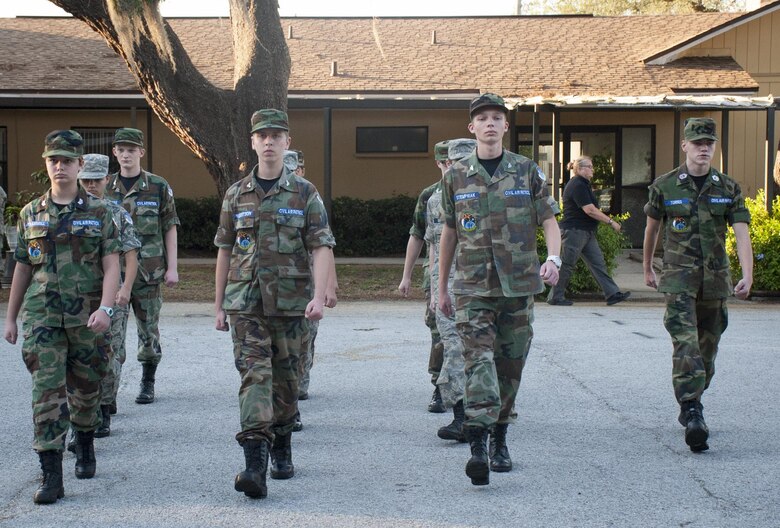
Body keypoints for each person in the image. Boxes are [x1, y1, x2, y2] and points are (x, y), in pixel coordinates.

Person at [438, 93, 561, 486]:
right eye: (482, 118)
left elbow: (549, 219)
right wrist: (441, 288)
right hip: (472, 288)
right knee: (478, 363)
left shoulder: (526, 171)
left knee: (510, 367)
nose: (489, 123)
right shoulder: (455, 176)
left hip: (518, 287)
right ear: (471, 127)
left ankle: (500, 438)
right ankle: (477, 443)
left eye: (496, 118)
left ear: (506, 126)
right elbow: (449, 233)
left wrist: (554, 259)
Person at [214, 109, 336, 499]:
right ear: (253, 142)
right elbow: (225, 249)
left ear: (287, 142)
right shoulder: (236, 194)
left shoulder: (304, 192)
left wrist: (318, 295)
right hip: (246, 304)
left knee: (286, 384)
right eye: (262, 136)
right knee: (254, 378)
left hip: (291, 305)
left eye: (276, 136)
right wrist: (218, 305)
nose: (269, 142)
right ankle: (254, 465)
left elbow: (321, 245)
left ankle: (282, 444)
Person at [3, 130, 121, 504]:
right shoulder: (30, 213)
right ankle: (51, 474)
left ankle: (84, 441)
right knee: (46, 395)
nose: (60, 166)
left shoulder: (100, 211)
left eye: (67, 160)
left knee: (86, 390)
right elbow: (22, 267)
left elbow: (112, 264)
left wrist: (106, 308)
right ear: (46, 163)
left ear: (80, 164)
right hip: (43, 319)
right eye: (54, 160)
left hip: (88, 319)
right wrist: (11, 317)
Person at [642, 117, 753, 453]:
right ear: (685, 146)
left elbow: (742, 233)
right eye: (697, 143)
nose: (703, 149)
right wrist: (647, 266)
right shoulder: (665, 186)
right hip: (679, 280)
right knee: (686, 344)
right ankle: (692, 411)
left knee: (707, 350)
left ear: (714, 147)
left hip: (715, 281)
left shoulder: (728, 188)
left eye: (709, 143)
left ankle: (693, 400)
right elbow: (651, 229)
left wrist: (747, 274)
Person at [105, 128, 179, 405]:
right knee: (112, 335)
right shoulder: (105, 186)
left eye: (131, 150)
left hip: (149, 272)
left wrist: (173, 267)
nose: (126, 154)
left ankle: (148, 381)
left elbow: (170, 226)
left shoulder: (158, 186)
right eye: (121, 149)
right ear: (115, 152)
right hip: (113, 275)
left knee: (148, 332)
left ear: (141, 152)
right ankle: (109, 393)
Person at [78, 154, 141, 438]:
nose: (91, 185)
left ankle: (104, 408)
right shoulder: (71, 212)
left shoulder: (117, 213)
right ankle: (85, 410)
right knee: (81, 355)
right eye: (86, 180)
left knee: (110, 352)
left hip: (112, 295)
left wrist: (125, 289)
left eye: (96, 180)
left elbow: (131, 255)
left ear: (107, 179)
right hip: (80, 296)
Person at [426, 138, 475, 443]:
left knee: (480, 351)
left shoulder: (490, 194)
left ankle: (483, 414)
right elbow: (435, 246)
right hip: (450, 284)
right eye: (456, 163)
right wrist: (436, 290)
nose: (461, 169)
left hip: (481, 285)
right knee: (454, 347)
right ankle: (461, 416)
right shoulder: (436, 199)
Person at [398, 141, 448, 414]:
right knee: (438, 330)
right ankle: (439, 386)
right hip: (436, 272)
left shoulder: (477, 192)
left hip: (471, 275)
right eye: (446, 163)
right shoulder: (430, 196)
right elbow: (417, 235)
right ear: (438, 163)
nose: (451, 167)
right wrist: (406, 275)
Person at [547, 156, 631, 306]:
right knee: (567, 264)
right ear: (580, 169)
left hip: (586, 231)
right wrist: (611, 222)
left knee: (598, 263)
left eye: (592, 167)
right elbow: (589, 210)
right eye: (590, 167)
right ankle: (555, 296)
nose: (593, 170)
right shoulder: (577, 185)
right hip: (574, 231)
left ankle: (612, 294)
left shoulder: (583, 184)